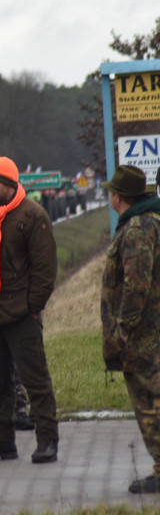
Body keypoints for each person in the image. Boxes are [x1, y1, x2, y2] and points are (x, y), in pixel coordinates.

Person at [0, 156, 60, 464]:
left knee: (35, 381)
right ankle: (2, 441)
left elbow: (45, 270)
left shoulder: (33, 215)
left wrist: (32, 308)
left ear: (9, 183)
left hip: (22, 315)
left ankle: (47, 440)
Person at [100, 165, 160, 493]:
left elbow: (137, 282)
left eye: (111, 191)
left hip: (145, 334)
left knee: (150, 399)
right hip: (151, 329)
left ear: (119, 197)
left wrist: (125, 325)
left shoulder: (138, 228)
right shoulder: (147, 221)